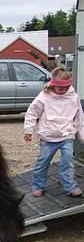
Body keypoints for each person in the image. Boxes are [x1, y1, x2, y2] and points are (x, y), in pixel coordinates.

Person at [24, 66, 84, 197]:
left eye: (65, 88)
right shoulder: (44, 96)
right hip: (48, 137)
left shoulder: (73, 98)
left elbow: (79, 119)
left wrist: (82, 136)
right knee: (43, 162)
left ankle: (70, 186)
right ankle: (38, 186)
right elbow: (32, 113)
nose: (62, 90)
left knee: (68, 161)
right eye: (59, 88)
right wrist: (28, 130)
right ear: (53, 85)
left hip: (67, 135)